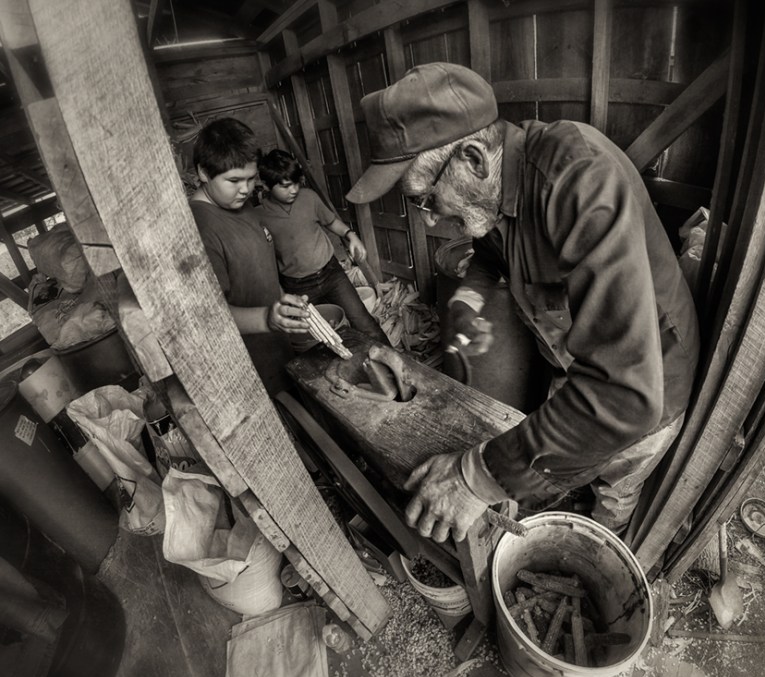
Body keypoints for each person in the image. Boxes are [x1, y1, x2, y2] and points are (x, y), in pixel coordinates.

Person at [346, 62, 700, 543]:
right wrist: (464, 307)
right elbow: (489, 259)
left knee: (615, 483)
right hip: (574, 362)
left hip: (650, 378)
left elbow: (625, 394)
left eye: (426, 198)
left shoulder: (579, 180)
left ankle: (597, 539)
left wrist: (475, 478)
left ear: (472, 158)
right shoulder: (491, 192)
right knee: (561, 456)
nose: (429, 221)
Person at [189, 118, 330, 395]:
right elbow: (207, 317)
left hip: (277, 345)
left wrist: (283, 306)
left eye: (251, 178)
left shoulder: (241, 206)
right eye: (233, 180)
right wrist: (267, 318)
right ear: (203, 173)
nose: (245, 189)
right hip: (250, 363)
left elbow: (261, 267)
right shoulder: (200, 229)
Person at [257, 149, 387, 343]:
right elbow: (264, 260)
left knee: (365, 325)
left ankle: (402, 364)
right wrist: (280, 293)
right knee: (318, 340)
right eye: (285, 186)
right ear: (267, 185)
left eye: (295, 183)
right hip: (298, 287)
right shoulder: (259, 216)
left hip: (332, 274)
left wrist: (351, 235)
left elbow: (331, 222)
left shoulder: (308, 198)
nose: (293, 190)